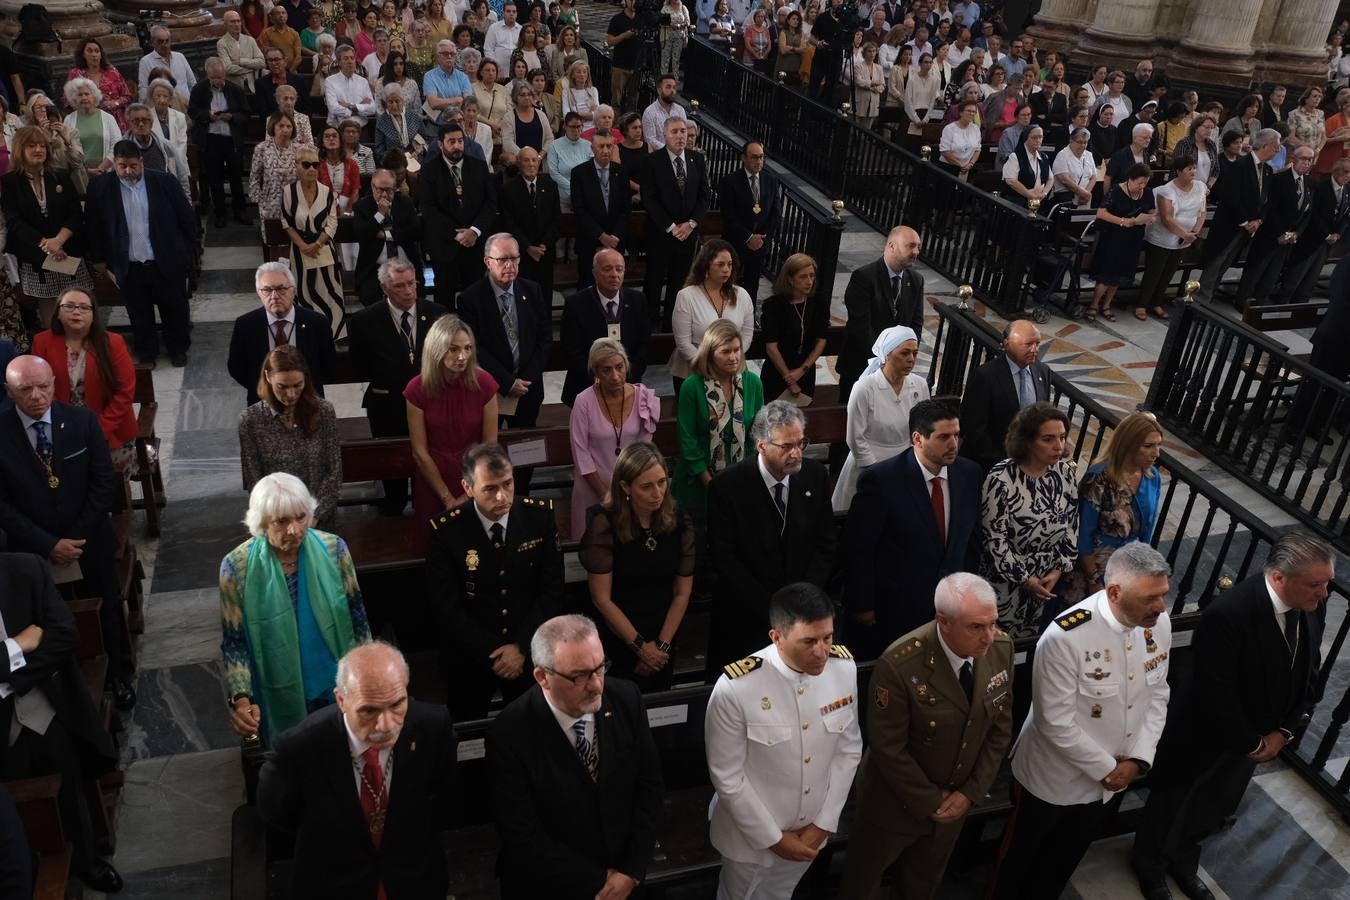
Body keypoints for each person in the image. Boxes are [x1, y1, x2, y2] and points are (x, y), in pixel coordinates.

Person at [1132, 533, 1331, 900]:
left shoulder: (1311, 606)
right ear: (1280, 578)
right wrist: (1254, 741)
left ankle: (1184, 860)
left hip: (1258, 737)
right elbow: (1216, 690)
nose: (1323, 594)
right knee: (1173, 803)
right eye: (1315, 585)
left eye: (1326, 584)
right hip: (1206, 734)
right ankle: (1150, 867)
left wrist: (1284, 731)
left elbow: (1309, 668)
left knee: (1214, 804)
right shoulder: (1230, 614)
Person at [992, 542, 1172, 900]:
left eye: (1163, 594)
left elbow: (1157, 693)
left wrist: (1137, 759)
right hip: (1053, 780)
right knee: (1018, 865)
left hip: (1109, 781)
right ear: (1115, 591)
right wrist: (1109, 767)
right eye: (1151, 597)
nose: (1160, 606)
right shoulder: (1066, 636)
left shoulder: (1157, 625)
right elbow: (1054, 723)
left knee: (1062, 861)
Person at [840, 573, 1013, 899]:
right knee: (862, 884)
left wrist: (969, 793)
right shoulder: (900, 664)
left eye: (993, 623)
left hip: (954, 803)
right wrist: (932, 801)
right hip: (893, 805)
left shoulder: (1000, 650)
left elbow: (1000, 729)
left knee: (921, 885)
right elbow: (887, 747)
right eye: (976, 627)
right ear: (943, 621)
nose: (988, 637)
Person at [258, 642, 454, 900]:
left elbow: (443, 797)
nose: (386, 725)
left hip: (414, 879)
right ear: (341, 700)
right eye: (369, 710)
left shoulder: (432, 726)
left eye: (397, 704)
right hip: (334, 885)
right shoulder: (297, 750)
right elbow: (279, 818)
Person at [705, 582, 862, 900]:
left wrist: (824, 822)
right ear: (776, 637)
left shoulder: (843, 668)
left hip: (811, 831)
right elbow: (727, 776)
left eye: (827, 638)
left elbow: (848, 749)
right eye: (809, 641)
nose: (821, 652)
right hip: (750, 836)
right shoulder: (736, 688)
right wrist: (773, 838)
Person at [487, 614, 662, 897]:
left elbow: (649, 788)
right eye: (579, 676)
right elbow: (522, 831)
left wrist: (631, 871)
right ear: (542, 676)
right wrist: (599, 881)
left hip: (624, 878)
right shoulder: (511, 731)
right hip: (551, 885)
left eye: (600, 668)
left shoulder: (626, 698)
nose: (596, 685)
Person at [0, 356, 135, 703]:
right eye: (24, 389)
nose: (36, 396)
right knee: (45, 620)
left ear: (54, 384)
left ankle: (120, 675)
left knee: (105, 607)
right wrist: (48, 545)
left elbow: (102, 482)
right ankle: (66, 685)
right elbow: (3, 506)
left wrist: (74, 538)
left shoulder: (81, 421)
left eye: (43, 386)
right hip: (33, 548)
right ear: (8, 392)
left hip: (87, 537)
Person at [0, 552, 121, 893]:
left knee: (69, 789)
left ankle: (89, 862)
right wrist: (18, 645)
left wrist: (9, 675)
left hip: (44, 706)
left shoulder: (23, 570)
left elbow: (63, 635)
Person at [220, 471, 371, 744]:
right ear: (261, 523)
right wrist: (242, 699)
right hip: (277, 686)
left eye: (301, 517)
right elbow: (234, 643)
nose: (296, 529)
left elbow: (358, 619)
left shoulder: (334, 548)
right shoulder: (236, 567)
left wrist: (368, 676)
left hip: (333, 681)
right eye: (282, 521)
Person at [425, 443, 562, 719]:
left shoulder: (538, 518)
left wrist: (520, 647)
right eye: (490, 488)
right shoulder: (447, 531)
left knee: (533, 730)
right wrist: (494, 652)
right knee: (466, 733)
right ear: (467, 488)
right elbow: (445, 607)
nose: (502, 496)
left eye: (508, 484)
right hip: (471, 656)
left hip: (528, 650)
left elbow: (551, 592)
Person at [845, 398, 983, 658]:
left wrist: (967, 590)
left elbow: (972, 540)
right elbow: (859, 549)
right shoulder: (881, 481)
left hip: (950, 606)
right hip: (895, 608)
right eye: (944, 437)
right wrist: (862, 604)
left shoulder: (969, 474)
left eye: (956, 435)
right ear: (918, 439)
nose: (954, 444)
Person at [706, 401, 836, 669]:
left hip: (804, 613)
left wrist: (805, 600)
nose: (797, 453)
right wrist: (773, 611)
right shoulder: (728, 487)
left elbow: (826, 542)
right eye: (787, 446)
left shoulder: (814, 475)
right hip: (748, 615)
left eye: (801, 443)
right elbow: (726, 558)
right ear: (761, 445)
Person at [581, 444, 692, 690]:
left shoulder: (679, 520)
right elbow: (602, 598)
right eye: (647, 486)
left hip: (665, 631)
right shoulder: (604, 522)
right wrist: (641, 648)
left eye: (662, 482)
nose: (658, 493)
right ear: (625, 487)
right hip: (618, 634)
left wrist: (661, 647)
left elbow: (682, 592)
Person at [83, 141, 196, 371]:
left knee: (174, 307)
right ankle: (147, 351)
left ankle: (177, 348)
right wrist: (100, 260)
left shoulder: (164, 182)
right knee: (138, 311)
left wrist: (186, 253)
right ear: (114, 163)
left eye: (133, 166)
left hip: (164, 259)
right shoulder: (100, 187)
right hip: (128, 263)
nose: (128, 171)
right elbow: (93, 226)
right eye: (122, 166)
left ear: (141, 162)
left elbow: (186, 219)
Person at [346, 258, 444, 515]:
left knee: (427, 464)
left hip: (429, 405)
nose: (409, 291)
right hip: (387, 407)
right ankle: (393, 507)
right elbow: (359, 366)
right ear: (385, 288)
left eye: (412, 283)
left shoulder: (437, 314)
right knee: (393, 466)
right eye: (400, 286)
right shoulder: (364, 321)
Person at [980, 401, 1079, 636]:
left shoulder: (1064, 472)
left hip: (1048, 582)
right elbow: (995, 541)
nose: (1058, 446)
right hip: (1006, 584)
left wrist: (1057, 571)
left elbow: (1072, 525)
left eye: (1062, 437)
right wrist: (1025, 580)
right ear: (1026, 441)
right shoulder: (1000, 479)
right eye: (1048, 439)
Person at [404, 315, 498, 533]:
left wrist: (469, 494)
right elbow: (419, 451)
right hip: (433, 478)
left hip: (475, 476)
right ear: (436, 349)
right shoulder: (417, 389)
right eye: (453, 349)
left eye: (467, 348)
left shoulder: (485, 384)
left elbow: (490, 447)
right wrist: (447, 497)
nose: (462, 356)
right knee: (436, 546)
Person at [239, 347, 340, 530]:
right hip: (276, 523)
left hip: (320, 521)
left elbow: (333, 472)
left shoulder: (324, 412)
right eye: (282, 387)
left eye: (297, 385)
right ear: (268, 377)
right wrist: (285, 521)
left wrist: (312, 518)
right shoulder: (251, 420)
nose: (291, 394)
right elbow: (255, 481)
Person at [31, 288, 136, 467]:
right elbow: (39, 389)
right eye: (69, 306)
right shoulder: (42, 342)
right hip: (60, 429)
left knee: (104, 484)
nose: (76, 311)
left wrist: (99, 430)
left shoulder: (113, 343)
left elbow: (125, 391)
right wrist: (65, 429)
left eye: (84, 307)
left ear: (94, 315)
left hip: (110, 429)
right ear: (58, 313)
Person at [568, 337, 659, 540]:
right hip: (592, 488)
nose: (615, 376)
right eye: (606, 370)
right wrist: (607, 496)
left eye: (619, 367)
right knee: (596, 551)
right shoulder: (583, 402)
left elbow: (644, 452)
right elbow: (581, 455)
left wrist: (630, 493)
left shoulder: (643, 398)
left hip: (632, 488)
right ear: (596, 372)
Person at [455, 233, 550, 427]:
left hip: (528, 389)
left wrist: (526, 380)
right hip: (490, 389)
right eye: (503, 259)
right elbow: (475, 348)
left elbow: (544, 338)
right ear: (488, 262)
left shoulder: (532, 291)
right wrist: (507, 382)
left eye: (514, 258)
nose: (510, 264)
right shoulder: (470, 298)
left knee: (525, 446)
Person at [673, 320, 763, 523]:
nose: (733, 357)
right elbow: (687, 439)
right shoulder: (692, 387)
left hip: (741, 480)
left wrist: (746, 477)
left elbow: (758, 434)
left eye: (737, 350)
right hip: (698, 480)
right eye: (726, 351)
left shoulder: (753, 383)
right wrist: (710, 482)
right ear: (710, 353)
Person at [832, 325, 928, 511]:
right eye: (904, 353)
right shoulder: (864, 388)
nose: (911, 360)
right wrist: (875, 471)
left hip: (904, 464)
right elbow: (855, 437)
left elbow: (922, 427)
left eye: (915, 354)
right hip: (868, 465)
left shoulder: (920, 385)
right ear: (887, 355)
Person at [1074, 411, 1163, 600]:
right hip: (1095, 567)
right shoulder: (1099, 477)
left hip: (1130, 568)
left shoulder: (1152, 476)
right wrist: (1094, 580)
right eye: (1148, 446)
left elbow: (1147, 528)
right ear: (1128, 445)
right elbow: (1083, 534)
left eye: (1158, 445)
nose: (1156, 453)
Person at [835, 225, 924, 407]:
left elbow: (915, 324)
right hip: (861, 366)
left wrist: (906, 355)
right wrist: (885, 361)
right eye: (911, 246)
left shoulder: (916, 280)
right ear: (892, 246)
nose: (916, 252)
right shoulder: (864, 277)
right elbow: (861, 327)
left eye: (918, 247)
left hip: (896, 369)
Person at [229, 262, 337, 406]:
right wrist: (268, 389)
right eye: (267, 290)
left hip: (308, 402)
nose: (274, 296)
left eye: (281, 289)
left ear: (293, 290)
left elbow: (328, 366)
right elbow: (237, 368)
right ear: (258, 293)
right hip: (263, 403)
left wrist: (300, 388)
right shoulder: (246, 325)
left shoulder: (317, 323)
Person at [1197, 127, 1280, 304]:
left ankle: (1209, 298)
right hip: (1230, 224)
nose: (1278, 151)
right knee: (1216, 261)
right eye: (1276, 147)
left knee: (1227, 262)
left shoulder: (1267, 170)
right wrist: (1245, 221)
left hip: (1249, 227)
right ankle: (1201, 300)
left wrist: (1259, 219)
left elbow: (1267, 199)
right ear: (1265, 145)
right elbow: (1231, 196)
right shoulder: (1240, 165)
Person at [958, 318, 1051, 472]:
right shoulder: (985, 376)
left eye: (1037, 344)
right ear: (1007, 344)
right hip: (989, 465)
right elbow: (974, 428)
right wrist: (1003, 463)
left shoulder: (1042, 371)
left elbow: (1043, 416)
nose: (1034, 349)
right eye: (1028, 344)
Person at [561, 248, 649, 408]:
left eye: (619, 269)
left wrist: (624, 378)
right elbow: (572, 351)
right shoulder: (576, 304)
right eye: (607, 269)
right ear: (594, 272)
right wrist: (601, 380)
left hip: (628, 387)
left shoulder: (637, 300)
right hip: (587, 387)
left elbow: (643, 345)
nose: (614, 274)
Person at [419, 121, 497, 302]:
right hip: (445, 245)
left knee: (475, 296)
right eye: (451, 142)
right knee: (444, 298)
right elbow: (428, 208)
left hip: (475, 244)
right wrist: (458, 234)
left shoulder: (478, 166)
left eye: (460, 141)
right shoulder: (429, 171)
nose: (457, 146)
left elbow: (490, 203)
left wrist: (474, 231)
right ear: (440, 144)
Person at [644, 117, 710, 329]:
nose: (681, 136)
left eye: (683, 131)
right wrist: (672, 227)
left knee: (679, 284)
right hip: (661, 234)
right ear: (665, 135)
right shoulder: (653, 161)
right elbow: (649, 199)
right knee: (653, 283)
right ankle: (649, 328)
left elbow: (704, 196)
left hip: (688, 235)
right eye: (675, 132)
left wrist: (691, 223)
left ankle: (670, 328)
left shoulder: (697, 160)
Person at [1235, 145, 1316, 309]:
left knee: (1272, 272)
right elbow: (1270, 209)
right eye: (1303, 159)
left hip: (1289, 238)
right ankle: (1242, 301)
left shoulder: (1309, 183)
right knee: (1256, 269)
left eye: (1310, 160)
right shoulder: (1279, 179)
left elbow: (1307, 212)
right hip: (1270, 234)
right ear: (1294, 159)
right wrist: (1280, 233)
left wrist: (1296, 233)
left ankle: (1260, 304)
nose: (1307, 163)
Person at [670, 239, 754, 391]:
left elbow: (747, 334)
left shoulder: (742, 295)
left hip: (732, 367)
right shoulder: (687, 296)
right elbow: (683, 343)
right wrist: (711, 364)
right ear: (706, 265)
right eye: (720, 264)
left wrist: (732, 357)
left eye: (729, 264)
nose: (726, 270)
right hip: (695, 367)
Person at [282, 145, 345, 337]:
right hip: (299, 250)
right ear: (297, 166)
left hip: (323, 247)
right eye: (306, 164)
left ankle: (333, 332)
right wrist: (303, 246)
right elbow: (286, 223)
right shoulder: (289, 192)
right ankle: (305, 333)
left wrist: (316, 244)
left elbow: (332, 223)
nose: (311, 169)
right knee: (302, 291)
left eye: (315, 165)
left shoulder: (327, 192)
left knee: (330, 291)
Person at [1085, 162, 1157, 321]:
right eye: (1139, 182)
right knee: (1106, 273)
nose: (1142, 186)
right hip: (1113, 236)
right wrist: (1122, 221)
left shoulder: (1147, 193)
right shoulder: (1116, 191)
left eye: (1145, 183)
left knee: (1119, 275)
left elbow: (1152, 212)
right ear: (1130, 179)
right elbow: (1101, 213)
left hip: (1133, 238)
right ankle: (1094, 304)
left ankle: (1107, 305)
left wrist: (1150, 219)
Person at [1138, 154, 1206, 321]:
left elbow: (1202, 212)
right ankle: (1141, 304)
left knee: (1169, 272)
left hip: (1185, 239)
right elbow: (1167, 218)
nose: (1193, 171)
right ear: (1178, 171)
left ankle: (1156, 302)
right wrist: (1185, 234)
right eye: (1189, 169)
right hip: (1162, 237)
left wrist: (1194, 233)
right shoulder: (1166, 190)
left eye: (1194, 168)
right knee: (1154, 273)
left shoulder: (1200, 187)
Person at [186, 58, 250, 228]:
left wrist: (232, 117)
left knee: (236, 176)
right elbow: (192, 112)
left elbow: (245, 115)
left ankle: (240, 210)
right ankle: (220, 213)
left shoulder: (235, 90)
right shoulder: (199, 90)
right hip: (211, 139)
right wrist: (208, 114)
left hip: (231, 140)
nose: (218, 81)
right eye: (214, 78)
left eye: (221, 77)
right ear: (207, 75)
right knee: (215, 178)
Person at [758, 253, 829, 404]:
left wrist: (802, 370)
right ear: (790, 279)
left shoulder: (819, 302)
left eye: (812, 276)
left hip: (805, 372)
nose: (809, 281)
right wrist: (789, 379)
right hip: (778, 373)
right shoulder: (774, 305)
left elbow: (821, 340)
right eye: (803, 277)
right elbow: (771, 347)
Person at [1279, 157, 1350, 303]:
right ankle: (1284, 299)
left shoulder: (1347, 190)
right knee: (1299, 269)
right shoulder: (1320, 187)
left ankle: (1302, 299)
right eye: (1346, 171)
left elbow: (1346, 215)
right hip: (1313, 236)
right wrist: (1326, 234)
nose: (1348, 175)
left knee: (1314, 272)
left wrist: (1337, 234)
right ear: (1336, 171)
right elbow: (1314, 214)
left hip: (1329, 241)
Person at [351, 169, 424, 308]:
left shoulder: (405, 202)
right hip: (374, 270)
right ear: (372, 187)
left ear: (395, 188)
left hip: (406, 265)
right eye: (379, 190)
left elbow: (416, 232)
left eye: (389, 190)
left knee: (416, 296)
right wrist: (380, 214)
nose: (384, 194)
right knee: (372, 300)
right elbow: (362, 233)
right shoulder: (362, 206)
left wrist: (386, 235)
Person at [719, 141, 779, 303]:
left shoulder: (770, 181)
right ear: (743, 158)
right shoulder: (730, 182)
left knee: (752, 285)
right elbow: (729, 216)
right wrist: (748, 237)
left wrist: (761, 238)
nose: (758, 161)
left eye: (761, 157)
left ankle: (749, 317)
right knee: (730, 283)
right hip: (736, 243)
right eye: (754, 157)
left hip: (760, 244)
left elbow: (775, 214)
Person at [570, 131, 630, 291]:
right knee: (587, 286)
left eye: (609, 146)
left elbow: (626, 210)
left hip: (616, 240)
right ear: (592, 148)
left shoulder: (621, 172)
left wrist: (615, 236)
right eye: (601, 146)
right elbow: (579, 210)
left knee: (614, 286)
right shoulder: (579, 173)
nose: (605, 150)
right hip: (589, 240)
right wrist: (601, 236)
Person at [499, 146, 560, 300]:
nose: (531, 164)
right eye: (526, 160)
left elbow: (556, 219)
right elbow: (509, 224)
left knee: (545, 296)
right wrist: (528, 247)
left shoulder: (550, 186)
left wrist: (545, 244)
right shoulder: (509, 189)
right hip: (521, 253)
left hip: (545, 252)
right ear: (519, 164)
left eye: (535, 160)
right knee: (523, 297)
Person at [123, 101, 191, 199]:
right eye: (136, 121)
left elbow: (182, 175)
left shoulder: (165, 145)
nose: (141, 124)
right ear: (129, 124)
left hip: (163, 195)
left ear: (151, 123)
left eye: (145, 120)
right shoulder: (122, 148)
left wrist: (186, 201)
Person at [66, 38, 133, 133]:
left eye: (97, 51)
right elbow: (68, 102)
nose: (94, 54)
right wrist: (88, 105)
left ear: (101, 55)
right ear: (83, 55)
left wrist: (115, 103)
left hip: (117, 122)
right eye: (89, 51)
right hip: (88, 121)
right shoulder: (76, 74)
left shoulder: (112, 71)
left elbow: (127, 96)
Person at [248, 111, 299, 230]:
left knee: (294, 242)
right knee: (274, 241)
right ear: (273, 126)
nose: (285, 130)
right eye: (281, 126)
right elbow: (254, 177)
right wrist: (260, 201)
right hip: (270, 203)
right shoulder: (262, 148)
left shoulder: (299, 149)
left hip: (295, 204)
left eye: (288, 126)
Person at [63, 78, 117, 183]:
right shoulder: (68, 119)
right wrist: (86, 171)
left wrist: (101, 169)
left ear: (94, 95)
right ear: (74, 98)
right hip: (81, 177)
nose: (84, 97)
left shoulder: (108, 118)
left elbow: (116, 145)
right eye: (80, 95)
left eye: (87, 94)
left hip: (107, 174)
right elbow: (67, 149)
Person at [137, 26, 196, 101]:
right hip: (164, 108)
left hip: (187, 105)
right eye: (160, 41)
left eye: (167, 41)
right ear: (152, 42)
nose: (164, 44)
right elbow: (144, 90)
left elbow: (192, 83)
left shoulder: (180, 57)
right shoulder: (146, 62)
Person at [218, 10, 267, 92]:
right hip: (235, 88)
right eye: (232, 22)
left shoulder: (250, 40)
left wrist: (241, 62)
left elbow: (262, 62)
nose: (236, 24)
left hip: (254, 86)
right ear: (225, 24)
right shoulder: (222, 43)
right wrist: (253, 68)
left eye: (238, 21)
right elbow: (228, 68)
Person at [1051, 126, 1097, 208]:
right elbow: (1065, 179)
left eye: (1085, 142)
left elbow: (1093, 176)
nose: (1083, 145)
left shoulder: (1089, 155)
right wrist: (1083, 193)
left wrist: (1087, 193)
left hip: (1085, 200)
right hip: (1067, 200)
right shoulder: (1062, 155)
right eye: (1079, 142)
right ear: (1071, 140)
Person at [483, 0, 523, 72]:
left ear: (517, 14)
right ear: (503, 13)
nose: (511, 14)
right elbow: (488, 50)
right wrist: (495, 68)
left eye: (514, 12)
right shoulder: (494, 28)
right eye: (508, 11)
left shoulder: (521, 30)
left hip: (517, 72)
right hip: (498, 71)